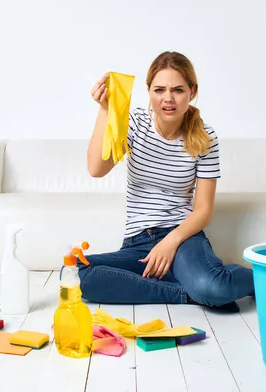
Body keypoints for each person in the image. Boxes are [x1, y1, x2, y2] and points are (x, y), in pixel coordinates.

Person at [79, 51, 254, 312]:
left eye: (178, 90)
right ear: (148, 91)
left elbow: (203, 209)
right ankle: (190, 293)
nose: (168, 98)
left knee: (214, 287)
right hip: (137, 243)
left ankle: (251, 280)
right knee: (82, 274)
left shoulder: (206, 138)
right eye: (159, 89)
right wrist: (105, 109)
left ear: (192, 92)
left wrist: (169, 243)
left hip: (183, 239)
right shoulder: (134, 124)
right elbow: (96, 169)